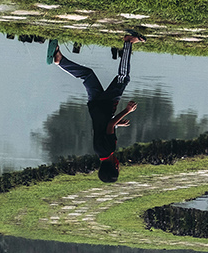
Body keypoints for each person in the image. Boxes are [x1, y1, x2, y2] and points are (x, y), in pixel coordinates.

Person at [47, 31, 145, 181]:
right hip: (95, 106)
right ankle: (60, 60)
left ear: (114, 167)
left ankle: (129, 42)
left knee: (123, 78)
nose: (119, 166)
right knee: (87, 75)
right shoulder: (99, 152)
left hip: (106, 105)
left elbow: (109, 124)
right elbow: (102, 128)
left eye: (118, 169)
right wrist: (118, 124)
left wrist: (127, 111)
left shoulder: (109, 150)